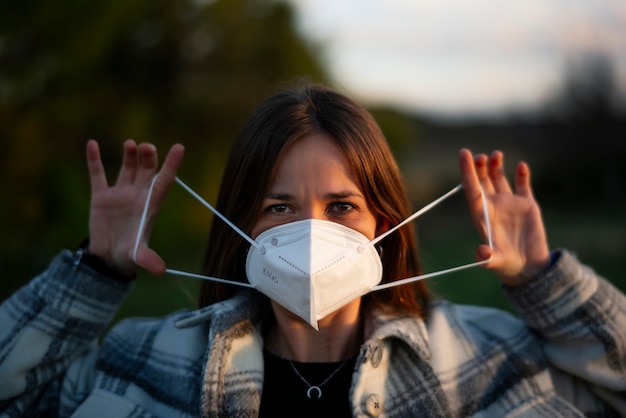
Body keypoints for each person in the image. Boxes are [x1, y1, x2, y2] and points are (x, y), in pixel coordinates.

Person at [1, 83, 624, 417]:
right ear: (241, 224)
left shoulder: (492, 359)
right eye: (279, 208)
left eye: (342, 206)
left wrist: (543, 280)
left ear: (384, 220)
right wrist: (92, 275)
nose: (310, 232)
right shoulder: (140, 359)